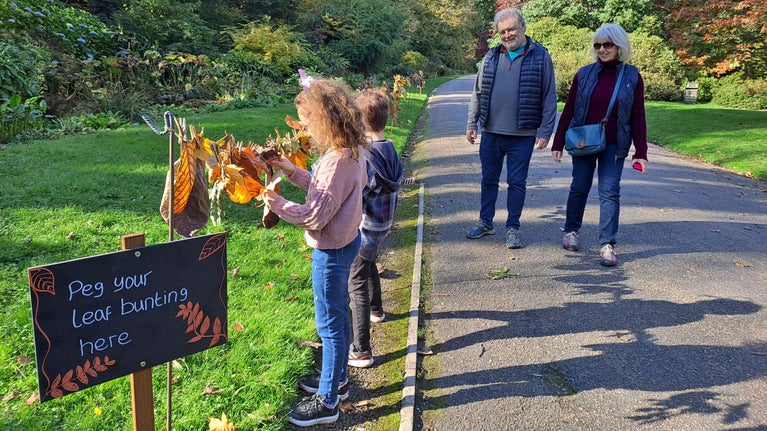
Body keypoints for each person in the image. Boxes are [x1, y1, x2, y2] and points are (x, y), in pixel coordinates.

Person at [262, 79, 369, 427]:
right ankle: (335, 380)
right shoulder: (349, 151)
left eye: (307, 121)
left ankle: (327, 402)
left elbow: (315, 215)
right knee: (338, 315)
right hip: (346, 242)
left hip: (332, 251)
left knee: (329, 326)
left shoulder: (337, 161)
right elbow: (324, 191)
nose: (304, 128)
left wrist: (276, 204)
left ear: (325, 119)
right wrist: (290, 170)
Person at [550, 23, 648, 266]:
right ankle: (571, 231)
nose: (602, 49)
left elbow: (638, 116)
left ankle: (607, 244)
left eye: (608, 44)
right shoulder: (583, 74)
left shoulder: (632, 77)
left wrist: (641, 151)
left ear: (619, 46)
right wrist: (558, 141)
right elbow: (569, 110)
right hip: (584, 140)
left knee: (610, 192)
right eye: (598, 45)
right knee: (579, 187)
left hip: (615, 144)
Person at [465, 7, 558, 249]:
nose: (507, 35)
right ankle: (486, 223)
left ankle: (512, 228)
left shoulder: (541, 56)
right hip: (491, 133)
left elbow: (549, 96)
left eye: (511, 29)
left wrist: (546, 130)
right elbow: (477, 92)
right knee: (488, 180)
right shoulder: (492, 57)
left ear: (523, 27)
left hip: (523, 135)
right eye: (502, 31)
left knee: (517, 182)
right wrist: (471, 123)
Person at [347, 89, 403, 369]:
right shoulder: (390, 148)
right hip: (383, 224)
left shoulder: (367, 158)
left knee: (355, 280)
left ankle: (361, 349)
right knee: (369, 264)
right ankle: (376, 309)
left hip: (366, 226)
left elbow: (361, 197)